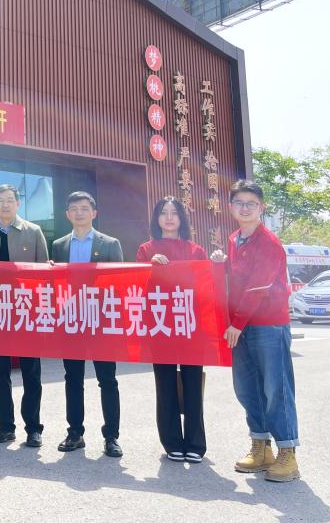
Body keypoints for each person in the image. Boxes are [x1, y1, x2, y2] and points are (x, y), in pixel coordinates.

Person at [211, 180, 301, 482]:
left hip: (268, 325)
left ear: (261, 208)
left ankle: (288, 452)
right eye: (239, 203)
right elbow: (235, 281)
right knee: (247, 388)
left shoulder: (269, 243)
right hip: (242, 327)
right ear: (231, 207)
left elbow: (258, 287)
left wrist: (236, 323)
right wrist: (220, 265)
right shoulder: (234, 240)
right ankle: (261, 447)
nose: (245, 208)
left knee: (276, 389)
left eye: (251, 203)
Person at [0, 184, 49, 448]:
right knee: (0, 371)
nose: (5, 204)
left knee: (31, 371)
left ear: (18, 204)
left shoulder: (34, 232)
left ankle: (33, 428)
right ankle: (5, 426)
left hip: (27, 311)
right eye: (0, 200)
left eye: (10, 200)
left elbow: (44, 275)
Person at [52, 190, 125, 458]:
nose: (79, 213)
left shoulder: (110, 244)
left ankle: (111, 437)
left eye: (84, 208)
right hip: (71, 321)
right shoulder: (59, 245)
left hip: (100, 320)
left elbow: (119, 282)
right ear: (67, 214)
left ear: (94, 213)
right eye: (74, 209)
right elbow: (56, 283)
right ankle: (75, 433)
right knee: (73, 378)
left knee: (107, 380)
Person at [136, 196, 208, 463]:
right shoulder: (146, 249)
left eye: (174, 213)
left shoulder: (196, 250)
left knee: (192, 383)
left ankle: (195, 443)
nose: (168, 218)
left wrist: (217, 263)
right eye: (163, 213)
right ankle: (172, 442)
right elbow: (137, 285)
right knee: (165, 384)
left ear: (181, 219)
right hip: (160, 325)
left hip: (190, 324)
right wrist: (149, 267)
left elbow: (206, 287)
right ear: (156, 219)